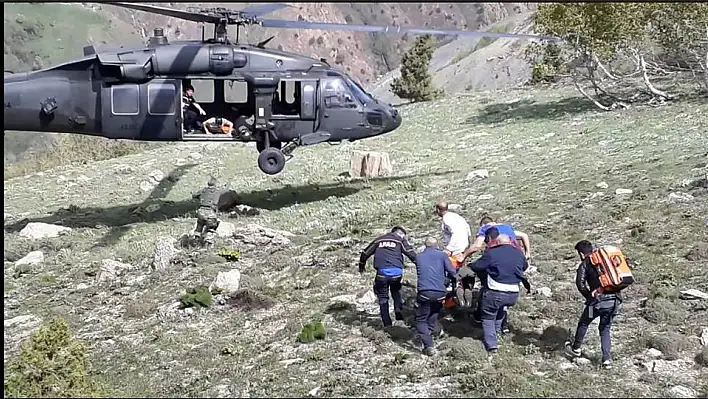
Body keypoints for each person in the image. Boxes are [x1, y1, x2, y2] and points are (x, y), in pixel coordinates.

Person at [469, 226, 528, 354]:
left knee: (488, 317)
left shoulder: (492, 253)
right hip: (513, 293)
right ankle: (498, 333)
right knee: (501, 310)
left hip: (495, 291)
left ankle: (492, 345)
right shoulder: (518, 253)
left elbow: (477, 266)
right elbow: (525, 266)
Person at [565, 240, 623, 370]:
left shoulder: (585, 264)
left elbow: (580, 284)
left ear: (580, 253)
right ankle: (607, 359)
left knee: (585, 322)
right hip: (614, 302)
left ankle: (576, 348)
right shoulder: (606, 261)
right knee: (605, 328)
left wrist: (589, 296)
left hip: (595, 304)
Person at [358, 226, 418, 327]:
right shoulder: (400, 240)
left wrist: (361, 265)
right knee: (396, 291)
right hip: (396, 273)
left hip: (382, 273)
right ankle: (398, 311)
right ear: (401, 234)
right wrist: (420, 265)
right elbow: (411, 254)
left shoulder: (379, 240)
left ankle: (387, 324)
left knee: (383, 298)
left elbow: (365, 253)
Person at [413, 237, 458, 356]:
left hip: (425, 292)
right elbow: (453, 272)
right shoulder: (442, 255)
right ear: (437, 245)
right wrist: (448, 281)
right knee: (434, 312)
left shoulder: (418, 257)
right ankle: (433, 332)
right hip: (440, 292)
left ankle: (429, 345)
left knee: (421, 319)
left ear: (425, 245)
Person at [434, 201, 473, 308]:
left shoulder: (447, 219)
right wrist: (468, 246)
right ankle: (461, 297)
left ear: (438, 209)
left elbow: (455, 233)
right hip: (462, 250)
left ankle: (449, 302)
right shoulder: (457, 217)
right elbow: (468, 230)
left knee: (449, 276)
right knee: (459, 275)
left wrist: (448, 249)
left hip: (454, 252)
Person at [462, 215, 531, 260]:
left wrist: (464, 256)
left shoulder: (485, 228)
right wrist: (527, 253)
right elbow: (524, 235)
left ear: (483, 225)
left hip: (500, 256)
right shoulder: (506, 227)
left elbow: (476, 247)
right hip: (516, 255)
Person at [191, 176, 221, 246]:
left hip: (201, 211)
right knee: (211, 227)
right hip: (210, 212)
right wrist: (229, 182)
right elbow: (226, 190)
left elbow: (194, 195)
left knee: (199, 225)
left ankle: (196, 240)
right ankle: (208, 243)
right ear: (215, 184)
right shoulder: (218, 191)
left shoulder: (203, 190)